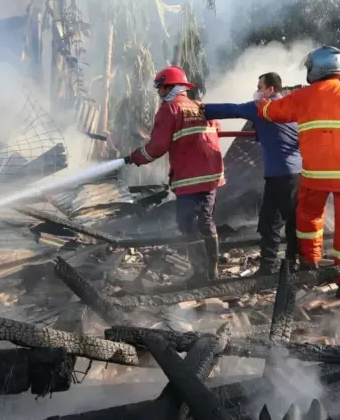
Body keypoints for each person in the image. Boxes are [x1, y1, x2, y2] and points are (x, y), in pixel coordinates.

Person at [256, 46, 340, 298]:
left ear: (316, 69)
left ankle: (310, 264)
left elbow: (272, 112)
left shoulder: (303, 96)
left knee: (308, 218)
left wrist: (261, 104)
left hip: (316, 176)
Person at [126, 66, 225, 281]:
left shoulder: (170, 109)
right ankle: (212, 271)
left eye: (161, 88)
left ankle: (199, 273)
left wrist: (136, 157)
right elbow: (215, 127)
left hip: (190, 177)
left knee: (186, 223)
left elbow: (157, 147)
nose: (159, 93)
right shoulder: (199, 106)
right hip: (212, 175)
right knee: (206, 220)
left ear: (171, 87)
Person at [201, 72, 301, 276]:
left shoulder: (262, 108)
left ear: (270, 90)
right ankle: (290, 263)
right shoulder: (292, 105)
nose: (257, 91)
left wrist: (200, 109)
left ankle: (272, 267)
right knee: (288, 221)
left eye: (260, 87)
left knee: (272, 222)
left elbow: (230, 109)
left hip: (281, 175)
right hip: (297, 174)